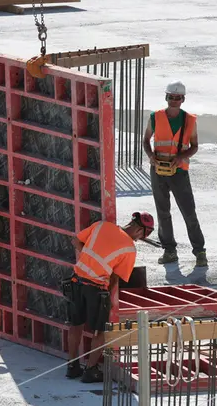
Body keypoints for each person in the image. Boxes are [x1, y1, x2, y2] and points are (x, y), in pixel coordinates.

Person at [63, 212, 155, 383]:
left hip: (76, 281)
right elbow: (115, 277)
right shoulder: (129, 248)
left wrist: (90, 260)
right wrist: (110, 299)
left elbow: (76, 241)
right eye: (146, 233)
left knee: (75, 325)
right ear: (139, 231)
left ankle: (72, 366)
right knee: (101, 331)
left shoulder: (102, 226)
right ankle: (90, 370)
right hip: (96, 288)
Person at [142, 80, 207, 268]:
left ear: (183, 99)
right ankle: (169, 250)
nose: (174, 101)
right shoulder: (155, 117)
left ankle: (200, 251)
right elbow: (146, 140)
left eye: (177, 98)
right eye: (171, 97)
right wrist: (150, 156)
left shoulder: (190, 120)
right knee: (163, 212)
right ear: (166, 97)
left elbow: (194, 146)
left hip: (179, 172)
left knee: (189, 212)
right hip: (158, 170)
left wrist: (181, 157)